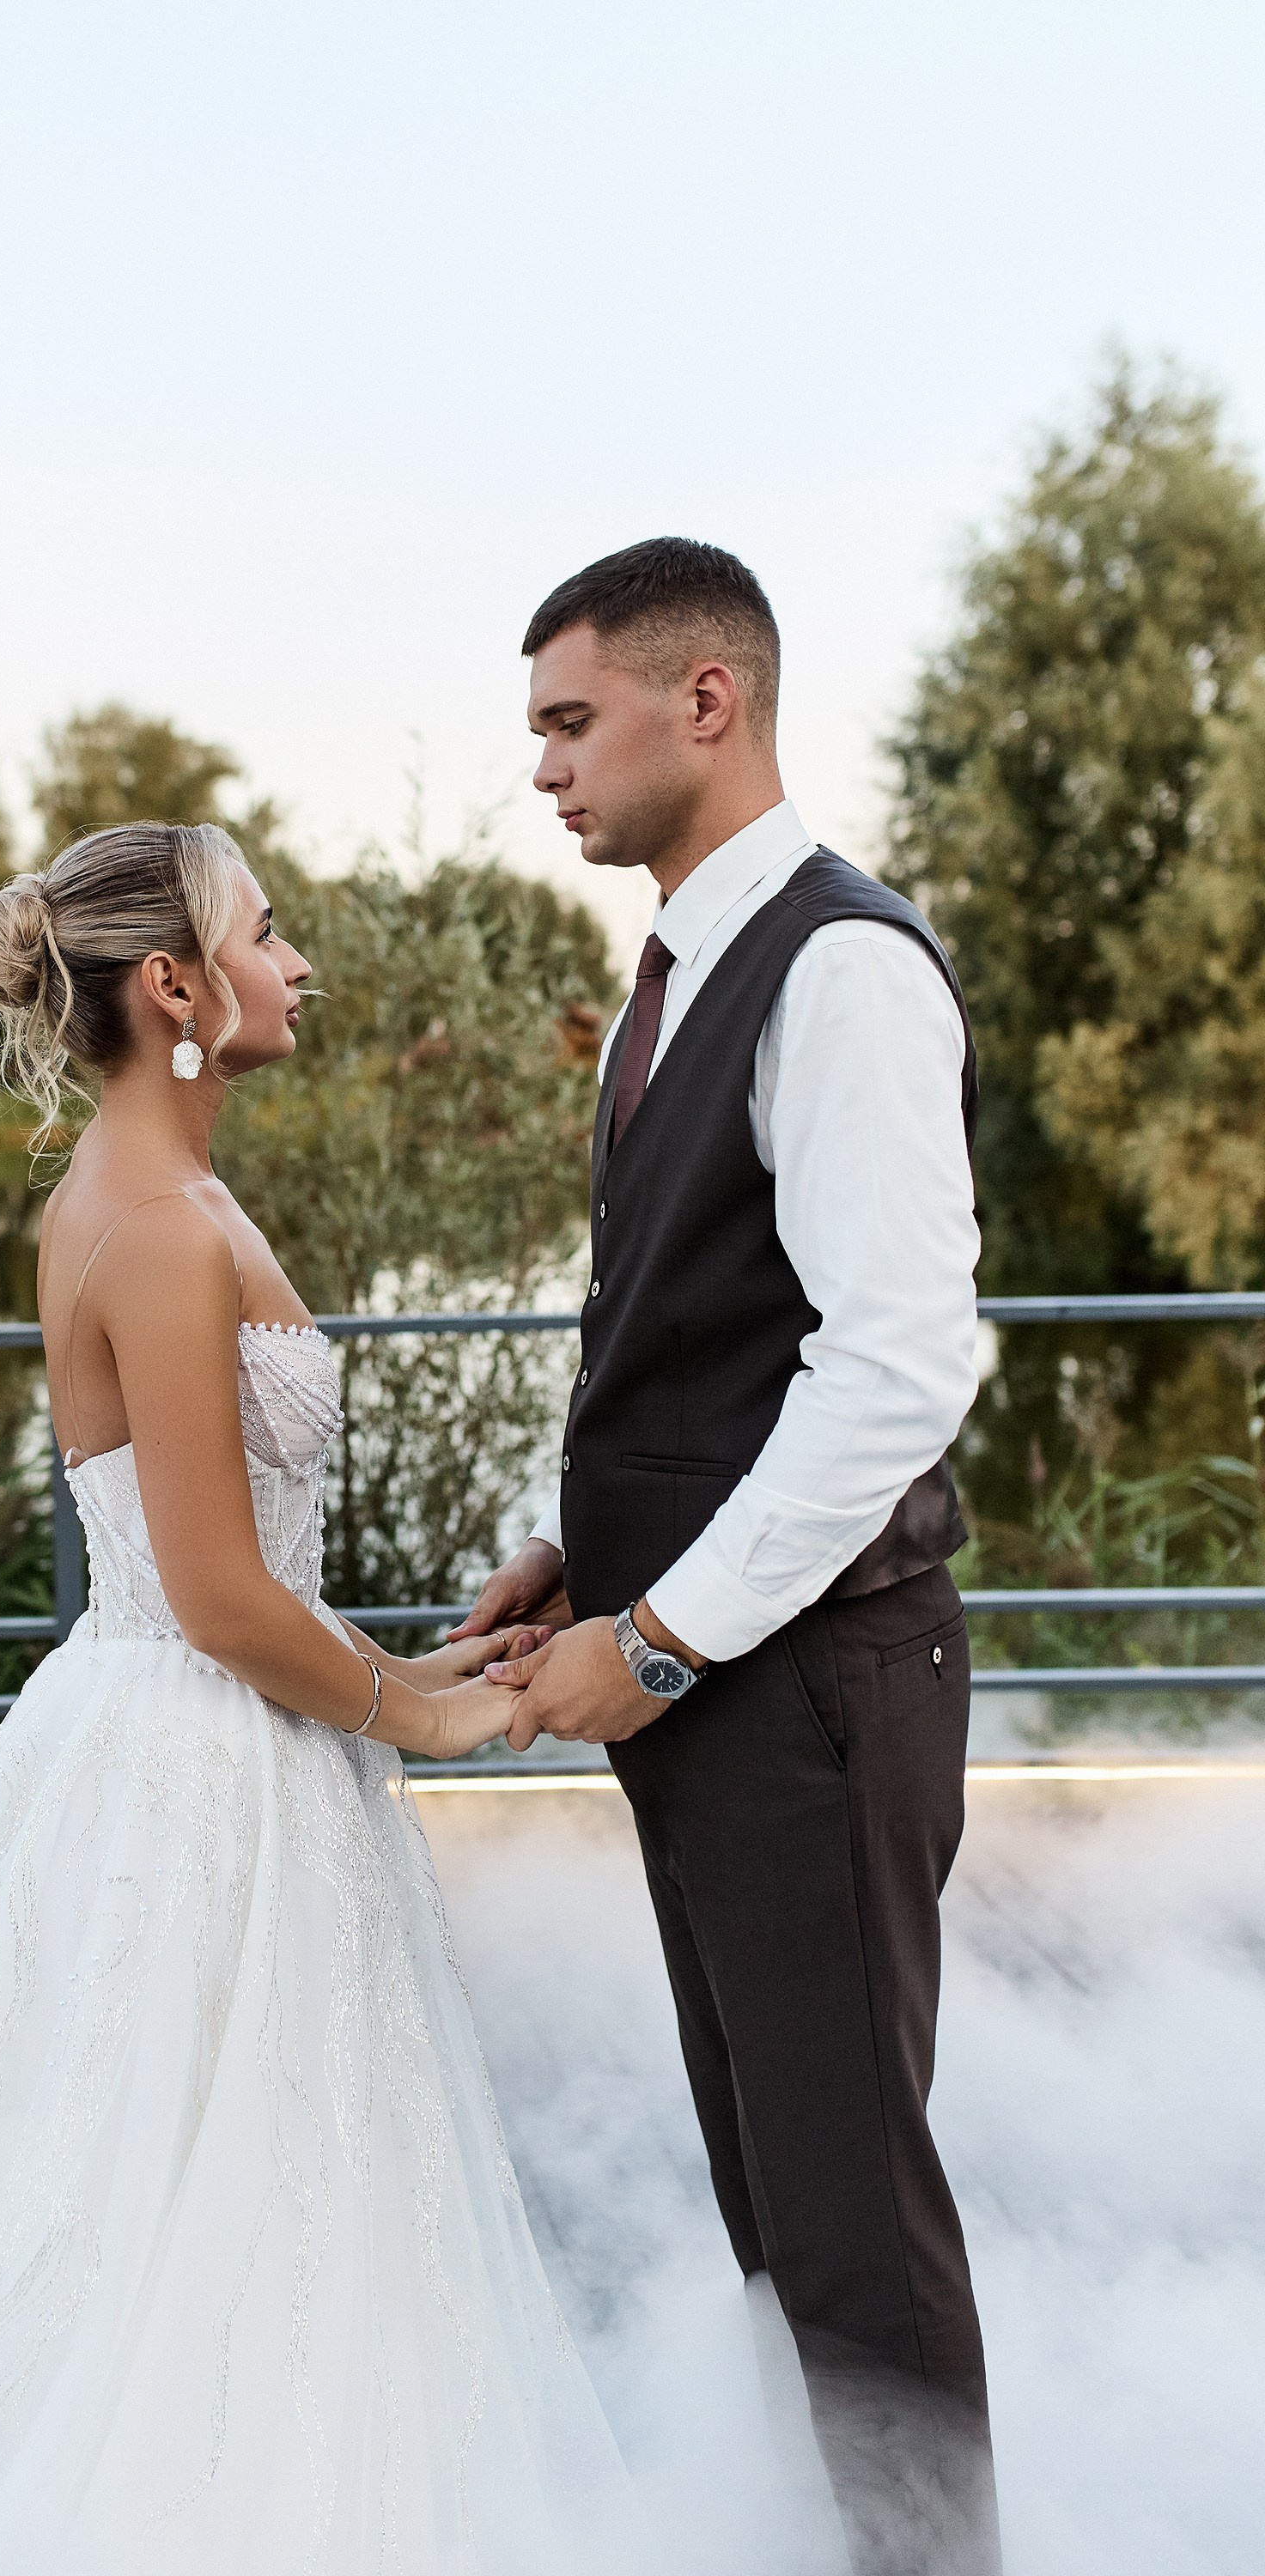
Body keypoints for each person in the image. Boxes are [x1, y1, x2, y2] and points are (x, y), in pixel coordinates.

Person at [0, 822, 648, 2575]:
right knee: (200, 2215)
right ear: (175, 986)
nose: (299, 967)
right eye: (266, 936)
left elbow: (222, 1561)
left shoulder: (161, 1194)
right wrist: (429, 1721)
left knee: (263, 2209)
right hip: (201, 1767)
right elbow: (208, 1594)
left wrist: (410, 1663)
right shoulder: (152, 1222)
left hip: (209, 1732)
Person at [453, 539, 1004, 2575]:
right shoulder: (689, 966)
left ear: (708, 702)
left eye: (566, 721)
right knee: (773, 2200)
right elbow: (708, 1336)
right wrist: (579, 1548)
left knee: (849, 2227)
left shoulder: (838, 967)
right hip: (718, 1681)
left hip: (805, 1692)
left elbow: (896, 1367)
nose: (542, 769)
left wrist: (663, 1635)